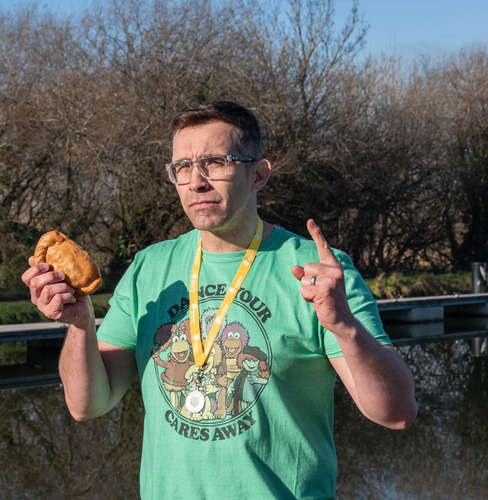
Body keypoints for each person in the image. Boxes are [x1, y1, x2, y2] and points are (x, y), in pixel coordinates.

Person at [22, 101, 417, 499]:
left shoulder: (319, 273)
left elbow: (396, 413)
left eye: (215, 162)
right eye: (183, 167)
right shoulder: (149, 268)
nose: (197, 181)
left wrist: (345, 327)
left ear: (259, 175)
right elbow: (87, 404)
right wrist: (79, 323)